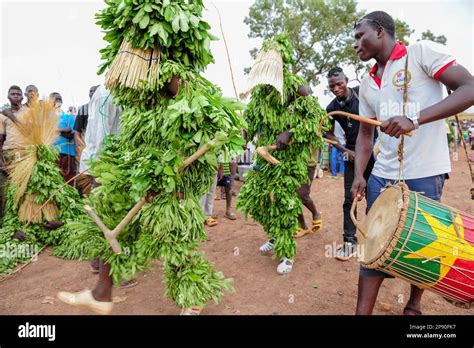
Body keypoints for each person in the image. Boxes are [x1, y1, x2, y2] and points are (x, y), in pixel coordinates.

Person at [351, 10, 474, 315]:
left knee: (423, 241)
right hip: (382, 174)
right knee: (373, 241)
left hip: (426, 170)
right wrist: (359, 174)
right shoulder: (366, 83)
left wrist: (415, 120)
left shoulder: (420, 53)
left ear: (380, 31)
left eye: (359, 36)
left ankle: (414, 304)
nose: (355, 44)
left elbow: (469, 89)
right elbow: (365, 134)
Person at [324, 67, 376, 261]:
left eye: (339, 84)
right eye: (332, 86)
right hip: (352, 156)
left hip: (375, 153)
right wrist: (345, 151)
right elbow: (327, 133)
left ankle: (376, 238)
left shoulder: (363, 92)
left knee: (376, 197)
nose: (336, 88)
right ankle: (349, 241)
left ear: (346, 80)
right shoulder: (331, 109)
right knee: (349, 198)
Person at [0, 86, 24, 217]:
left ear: (22, 97)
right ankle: (6, 218)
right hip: (8, 153)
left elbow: (30, 130)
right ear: (8, 97)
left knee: (21, 187)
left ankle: (19, 216)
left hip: (24, 153)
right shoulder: (2, 116)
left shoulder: (28, 112)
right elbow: (0, 139)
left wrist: (11, 115)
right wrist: (1, 161)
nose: (15, 96)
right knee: (6, 188)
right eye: (13, 94)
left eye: (18, 94)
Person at [293, 146, 322, 238]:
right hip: (292, 162)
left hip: (308, 163)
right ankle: (302, 226)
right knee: (292, 197)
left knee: (302, 194)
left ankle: (315, 213)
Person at [51, 92, 76, 184]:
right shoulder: (46, 118)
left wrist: (55, 130)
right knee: (53, 179)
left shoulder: (69, 117)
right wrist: (63, 130)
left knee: (67, 178)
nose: (58, 101)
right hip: (51, 153)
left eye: (59, 99)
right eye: (55, 99)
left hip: (67, 152)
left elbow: (71, 135)